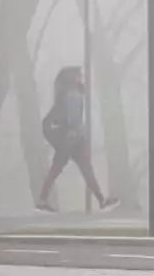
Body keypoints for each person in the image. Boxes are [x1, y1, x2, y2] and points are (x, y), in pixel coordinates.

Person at [36, 66, 118, 212]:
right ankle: (101, 201)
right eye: (78, 76)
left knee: (61, 170)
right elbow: (73, 119)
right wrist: (76, 133)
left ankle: (42, 200)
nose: (81, 78)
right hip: (73, 139)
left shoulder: (67, 94)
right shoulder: (74, 95)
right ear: (73, 79)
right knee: (83, 170)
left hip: (71, 139)